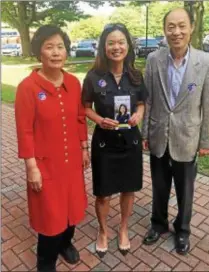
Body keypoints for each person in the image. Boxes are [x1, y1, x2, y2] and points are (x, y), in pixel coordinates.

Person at [142, 8, 209, 255]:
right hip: (158, 136)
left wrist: (206, 140)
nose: (176, 32)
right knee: (159, 186)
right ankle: (158, 224)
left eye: (181, 26)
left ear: (191, 27)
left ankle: (183, 231)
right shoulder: (154, 60)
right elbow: (149, 100)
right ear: (165, 29)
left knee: (185, 190)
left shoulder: (206, 62)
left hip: (188, 137)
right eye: (171, 26)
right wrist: (145, 133)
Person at [15, 25, 90, 272]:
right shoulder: (28, 87)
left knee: (72, 207)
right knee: (50, 215)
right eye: (49, 47)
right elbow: (24, 130)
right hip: (45, 164)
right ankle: (45, 261)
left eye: (60, 47)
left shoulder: (72, 82)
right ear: (39, 53)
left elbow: (80, 118)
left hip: (72, 163)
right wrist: (31, 167)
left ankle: (66, 244)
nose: (56, 52)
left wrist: (83, 147)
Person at [82, 23, 148, 258]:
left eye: (121, 42)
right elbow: (85, 108)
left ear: (128, 46)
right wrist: (99, 120)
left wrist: (139, 114)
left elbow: (141, 103)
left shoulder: (136, 75)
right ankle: (102, 231)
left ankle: (123, 229)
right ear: (104, 47)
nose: (116, 47)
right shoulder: (93, 76)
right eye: (111, 43)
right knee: (103, 192)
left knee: (128, 189)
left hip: (130, 142)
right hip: (104, 143)